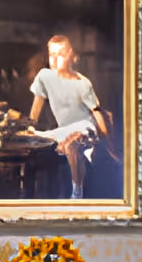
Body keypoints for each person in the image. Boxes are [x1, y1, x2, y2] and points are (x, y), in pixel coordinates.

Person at [29, 35, 111, 197]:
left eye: (61, 54)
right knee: (35, 137)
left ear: (71, 55)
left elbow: (96, 111)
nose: (55, 59)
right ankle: (36, 195)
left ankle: (77, 192)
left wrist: (107, 140)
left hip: (85, 125)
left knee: (71, 144)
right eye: (52, 54)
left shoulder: (82, 83)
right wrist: (29, 127)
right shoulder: (44, 77)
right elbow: (35, 110)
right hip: (63, 130)